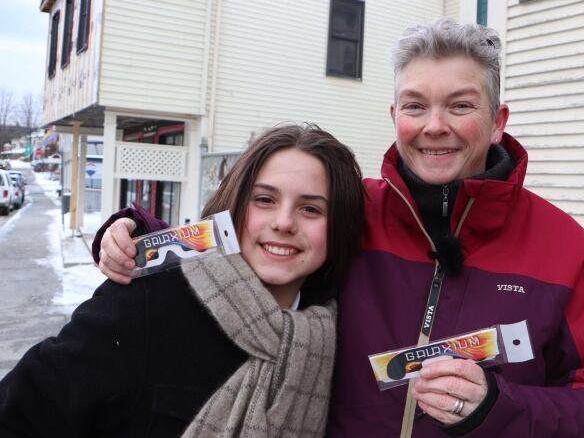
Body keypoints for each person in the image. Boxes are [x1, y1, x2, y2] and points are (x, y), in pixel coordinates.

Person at [94, 18, 584, 437]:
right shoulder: (352, 209)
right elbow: (251, 243)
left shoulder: (567, 250)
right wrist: (134, 231)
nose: (434, 126)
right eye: (415, 105)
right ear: (394, 114)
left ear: (498, 122)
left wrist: (499, 406)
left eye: (461, 105)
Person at [0, 124, 365, 437]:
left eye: (311, 209)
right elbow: (22, 412)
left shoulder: (332, 338)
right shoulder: (149, 300)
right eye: (265, 200)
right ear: (235, 208)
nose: (284, 222)